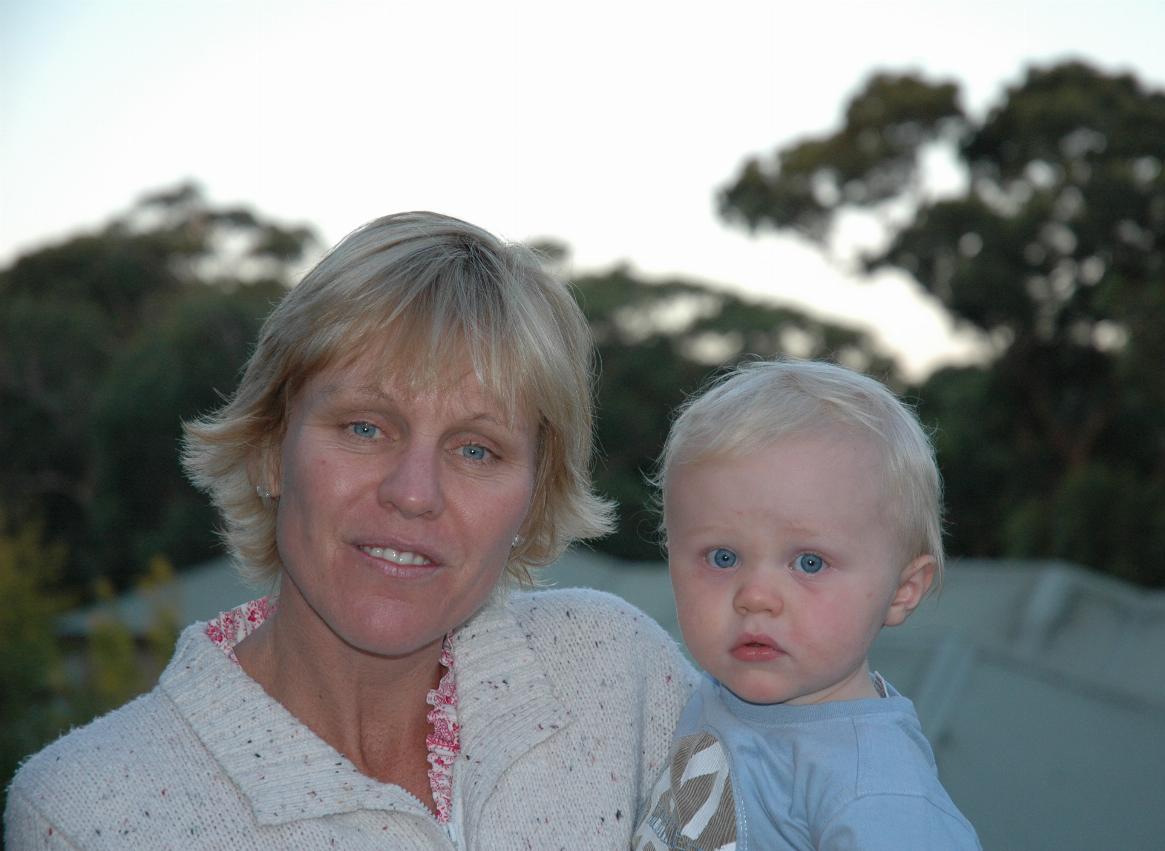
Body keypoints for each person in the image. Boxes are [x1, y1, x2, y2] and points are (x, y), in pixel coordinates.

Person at [6, 211, 695, 849]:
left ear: (534, 495)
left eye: (476, 449)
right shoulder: (86, 816)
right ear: (272, 449)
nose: (414, 493)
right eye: (365, 427)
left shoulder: (620, 675)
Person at [632, 359, 981, 850]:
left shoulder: (875, 792)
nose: (755, 596)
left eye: (810, 563)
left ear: (903, 589)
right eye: (723, 557)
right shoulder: (706, 695)